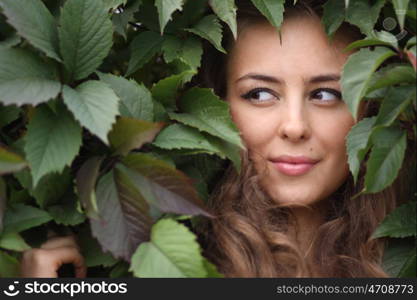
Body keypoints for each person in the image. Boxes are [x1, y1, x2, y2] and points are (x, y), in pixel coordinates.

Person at [20, 0, 399, 277]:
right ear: (216, 107)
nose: (295, 126)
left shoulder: (401, 261)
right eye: (260, 94)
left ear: (373, 109)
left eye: (326, 94)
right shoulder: (148, 258)